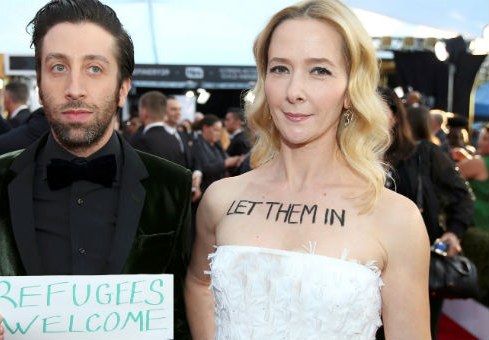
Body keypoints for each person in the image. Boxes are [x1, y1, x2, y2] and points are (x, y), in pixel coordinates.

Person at [0, 1, 192, 339]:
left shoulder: (171, 185)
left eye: (95, 68)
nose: (75, 89)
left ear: (123, 88)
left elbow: (178, 310)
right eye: (58, 67)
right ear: (39, 86)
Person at [185, 1, 431, 339]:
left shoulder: (395, 218)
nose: (293, 92)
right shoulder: (221, 199)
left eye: (320, 70)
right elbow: (199, 284)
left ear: (351, 89)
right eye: (280, 69)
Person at [380, 88, 473, 339]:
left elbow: (461, 196)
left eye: (381, 112)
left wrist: (454, 233)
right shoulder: (347, 160)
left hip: (418, 267)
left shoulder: (424, 154)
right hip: (367, 267)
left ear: (396, 117)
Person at [190, 114, 242, 194]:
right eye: (215, 130)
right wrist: (225, 163)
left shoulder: (217, 144)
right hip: (207, 190)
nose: (218, 134)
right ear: (205, 127)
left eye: (220, 131)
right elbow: (204, 169)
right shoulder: (197, 145)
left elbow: (226, 158)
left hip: (219, 188)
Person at [450, 123, 488, 230]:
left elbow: (448, 175)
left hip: (476, 220)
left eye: (485, 139)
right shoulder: (480, 162)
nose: (480, 142)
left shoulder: (480, 162)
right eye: (481, 137)